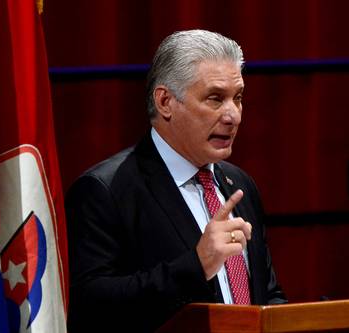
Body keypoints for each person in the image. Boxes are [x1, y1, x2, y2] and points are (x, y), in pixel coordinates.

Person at [66, 29, 286, 332]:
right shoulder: (105, 190)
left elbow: (266, 295)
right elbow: (90, 306)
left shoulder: (240, 184)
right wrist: (196, 266)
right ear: (166, 101)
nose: (233, 115)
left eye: (237, 98)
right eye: (215, 98)